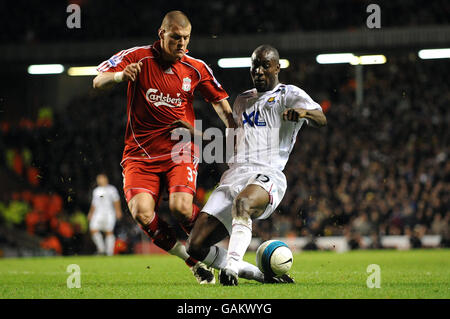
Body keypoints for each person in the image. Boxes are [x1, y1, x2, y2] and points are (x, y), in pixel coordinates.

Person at [93, 11, 235, 284]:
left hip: (179, 149)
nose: (182, 44)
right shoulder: (137, 57)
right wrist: (121, 76)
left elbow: (222, 106)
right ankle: (194, 261)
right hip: (139, 153)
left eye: (186, 38)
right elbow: (97, 80)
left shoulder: (196, 68)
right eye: (176, 38)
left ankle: (220, 253)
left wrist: (229, 132)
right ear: (161, 34)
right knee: (142, 213)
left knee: (182, 208)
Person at [185, 44, 327, 285]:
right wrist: (193, 132)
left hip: (267, 174)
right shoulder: (242, 100)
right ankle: (257, 274)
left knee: (243, 203)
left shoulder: (288, 94)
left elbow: (321, 118)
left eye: (265, 65)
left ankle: (230, 267)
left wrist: (302, 114)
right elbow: (232, 139)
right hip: (234, 176)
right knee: (195, 247)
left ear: (277, 67)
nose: (259, 71)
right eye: (255, 67)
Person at [88, 174, 122, 256]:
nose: (100, 180)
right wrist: (90, 213)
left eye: (101, 178)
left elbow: (116, 200)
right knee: (93, 229)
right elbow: (94, 204)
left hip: (109, 213)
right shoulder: (96, 191)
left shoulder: (111, 189)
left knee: (109, 232)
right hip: (98, 214)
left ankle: (109, 252)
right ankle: (101, 249)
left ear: (106, 179)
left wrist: (118, 211)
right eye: (98, 179)